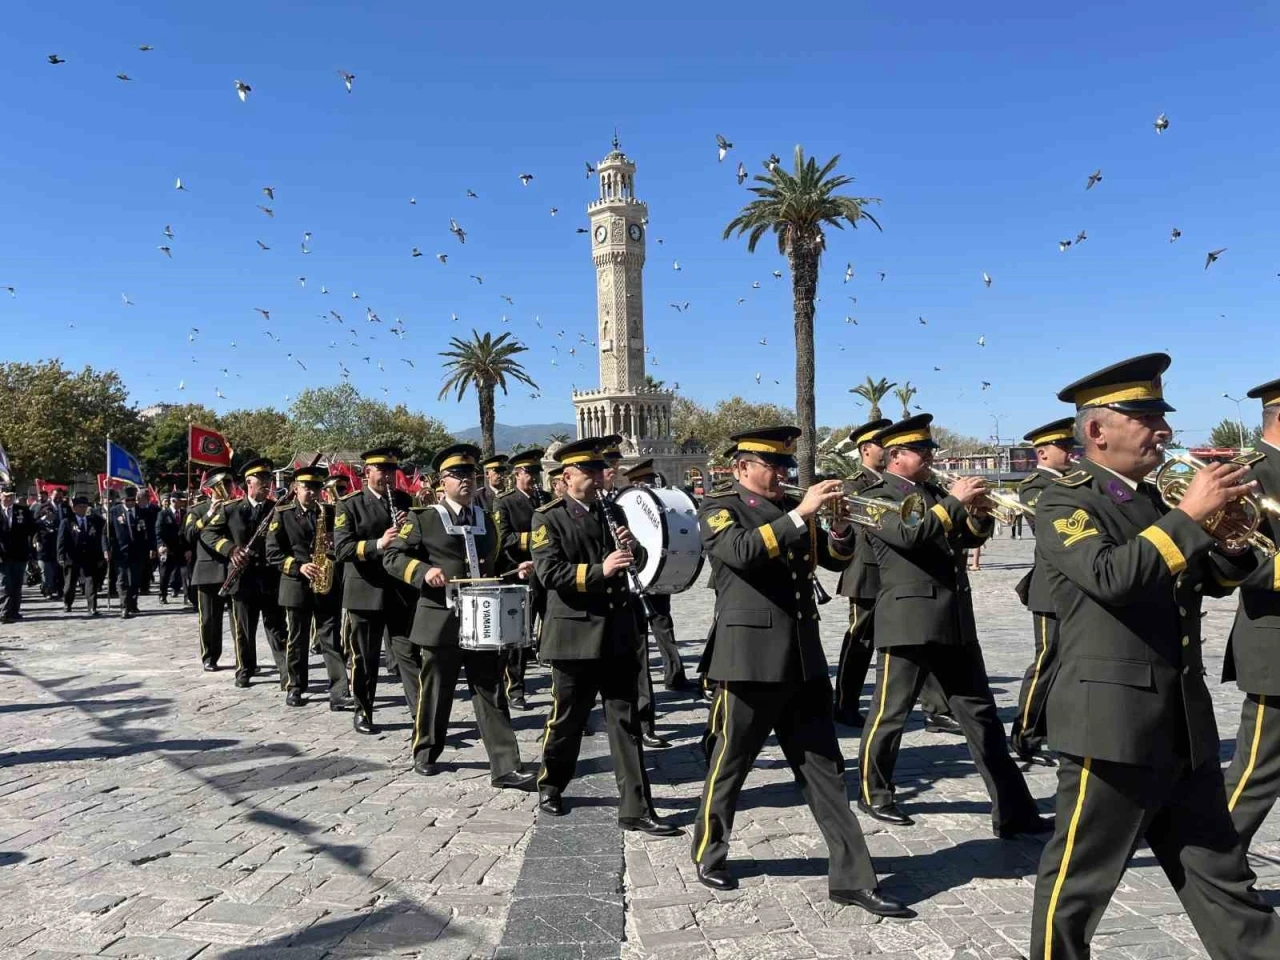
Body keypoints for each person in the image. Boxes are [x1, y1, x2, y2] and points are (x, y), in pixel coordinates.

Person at [1028, 353, 1280, 959]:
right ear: (1097, 430)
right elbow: (1113, 577)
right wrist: (1191, 515)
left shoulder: (1156, 502)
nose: (1164, 430)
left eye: (1161, 417)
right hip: (1112, 727)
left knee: (1224, 882)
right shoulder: (1066, 502)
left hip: (1182, 724)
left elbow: (1211, 581)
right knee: (1077, 886)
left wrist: (1229, 541)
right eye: (1147, 418)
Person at [690, 426, 910, 918]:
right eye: (773, 465)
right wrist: (800, 514)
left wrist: (840, 528)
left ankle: (853, 879)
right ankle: (709, 850)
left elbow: (833, 558)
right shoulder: (720, 507)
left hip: (803, 658)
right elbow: (741, 553)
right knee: (732, 762)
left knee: (826, 771)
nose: (782, 474)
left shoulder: (791, 508)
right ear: (742, 467)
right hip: (748, 660)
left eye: (785, 465)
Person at [858, 415, 1049, 834]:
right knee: (890, 715)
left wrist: (978, 514)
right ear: (896, 455)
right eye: (922, 451)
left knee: (982, 718)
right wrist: (954, 503)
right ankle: (875, 793)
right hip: (908, 621)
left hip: (954, 619)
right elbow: (910, 535)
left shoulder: (934, 493)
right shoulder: (874, 497)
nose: (930, 457)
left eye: (930, 450)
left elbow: (966, 539)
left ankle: (1014, 811)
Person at [530, 438, 679, 837]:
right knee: (568, 719)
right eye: (590, 472)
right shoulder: (548, 518)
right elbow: (549, 573)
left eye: (600, 471)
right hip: (574, 635)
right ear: (568, 477)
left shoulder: (613, 510)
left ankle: (636, 808)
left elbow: (636, 561)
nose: (599, 478)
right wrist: (601, 570)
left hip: (616, 631)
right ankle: (551, 784)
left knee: (626, 722)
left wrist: (634, 550)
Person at [382, 443, 536, 788]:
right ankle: (426, 752)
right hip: (441, 619)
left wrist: (517, 569)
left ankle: (505, 766)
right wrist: (424, 572)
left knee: (491, 690)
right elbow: (392, 558)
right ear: (443, 482)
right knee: (437, 691)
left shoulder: (486, 520)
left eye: (470, 474)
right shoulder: (423, 518)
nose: (466, 480)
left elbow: (495, 564)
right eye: (457, 474)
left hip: (483, 622)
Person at [1220, 376, 1280, 848]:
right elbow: (1239, 562)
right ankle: (1215, 862)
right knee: (1257, 772)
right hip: (1274, 643)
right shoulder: (1247, 475)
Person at [1009, 416, 1076, 767]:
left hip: (1078, 585)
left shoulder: (1075, 481)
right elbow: (1052, 527)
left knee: (1070, 663)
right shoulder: (1035, 485)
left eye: (1071, 445)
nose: (1071, 452)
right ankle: (1025, 733)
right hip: (1051, 588)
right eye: (1063, 447)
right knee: (1047, 662)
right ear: (1043, 453)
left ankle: (1057, 729)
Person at [333, 446, 416, 733]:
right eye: (382, 470)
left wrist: (407, 533)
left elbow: (414, 543)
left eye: (392, 470)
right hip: (365, 591)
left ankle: (420, 714)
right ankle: (363, 710)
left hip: (399, 590)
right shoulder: (350, 504)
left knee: (408, 654)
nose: (388, 476)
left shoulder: (404, 499)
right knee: (365, 658)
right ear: (367, 472)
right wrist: (379, 543)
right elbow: (342, 549)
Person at [265, 464, 352, 710]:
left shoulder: (331, 512)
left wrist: (333, 546)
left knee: (331, 639)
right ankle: (295, 687)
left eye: (316, 487)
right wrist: (298, 566)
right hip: (297, 585)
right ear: (295, 488)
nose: (313, 492)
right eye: (307, 487)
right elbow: (272, 553)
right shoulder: (282, 514)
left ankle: (339, 691)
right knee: (297, 639)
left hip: (326, 584)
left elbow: (343, 545)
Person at [201, 459, 287, 688]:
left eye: (269, 479)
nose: (267, 483)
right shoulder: (231, 509)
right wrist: (230, 549)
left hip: (270, 577)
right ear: (249, 482)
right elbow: (208, 534)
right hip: (243, 578)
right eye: (262, 479)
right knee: (244, 629)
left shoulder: (277, 509)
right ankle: (245, 669)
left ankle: (286, 673)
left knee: (277, 628)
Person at [622, 459, 691, 693]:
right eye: (646, 482)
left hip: (658, 572)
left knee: (663, 625)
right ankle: (641, 689)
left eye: (653, 480)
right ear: (635, 484)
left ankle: (675, 676)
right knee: (638, 635)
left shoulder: (658, 503)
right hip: (635, 577)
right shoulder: (625, 504)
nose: (652, 485)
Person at [493, 447, 547, 711]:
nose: (534, 478)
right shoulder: (504, 502)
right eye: (529, 472)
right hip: (520, 573)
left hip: (546, 574)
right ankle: (515, 688)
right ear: (517, 474)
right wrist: (538, 540)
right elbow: (504, 538)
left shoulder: (545, 498)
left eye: (537, 472)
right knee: (518, 636)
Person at [186, 478, 230, 670]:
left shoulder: (235, 507)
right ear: (210, 489)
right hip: (207, 569)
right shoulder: (198, 510)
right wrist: (210, 513)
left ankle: (245, 660)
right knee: (209, 619)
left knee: (239, 620)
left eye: (228, 484)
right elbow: (189, 534)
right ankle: (210, 657)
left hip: (232, 567)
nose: (226, 488)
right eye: (221, 485)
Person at [105, 487, 155, 619]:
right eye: (128, 500)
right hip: (120, 551)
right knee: (122, 580)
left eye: (133, 500)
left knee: (134, 580)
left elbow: (150, 532)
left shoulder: (143, 512)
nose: (131, 502)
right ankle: (124, 607)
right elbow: (106, 533)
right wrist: (106, 549)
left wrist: (152, 548)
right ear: (122, 500)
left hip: (138, 551)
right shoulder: (114, 512)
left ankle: (132, 603)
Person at [57, 495, 104, 615]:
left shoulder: (94, 521)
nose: (83, 509)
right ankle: (67, 603)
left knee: (90, 582)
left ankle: (92, 607)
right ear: (74, 508)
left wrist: (100, 556)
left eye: (85, 506)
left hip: (89, 556)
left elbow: (100, 538)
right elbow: (61, 540)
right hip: (72, 557)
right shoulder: (67, 522)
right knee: (70, 583)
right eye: (80, 506)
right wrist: (61, 556)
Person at [0, 484, 35, 622]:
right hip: (2, 554)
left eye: (11, 496)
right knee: (4, 584)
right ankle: (4, 612)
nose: (8, 499)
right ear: (0, 495)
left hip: (19, 553)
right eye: (6, 496)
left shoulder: (22, 511)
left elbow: (31, 528)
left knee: (16, 584)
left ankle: (14, 611)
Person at [156, 493, 188, 605]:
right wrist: (161, 545)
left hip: (182, 548)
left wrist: (188, 548)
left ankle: (187, 596)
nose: (183, 503)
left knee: (185, 574)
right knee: (165, 574)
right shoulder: (163, 514)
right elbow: (159, 531)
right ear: (174, 501)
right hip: (168, 549)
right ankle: (162, 594)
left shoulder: (185, 513)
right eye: (180, 500)